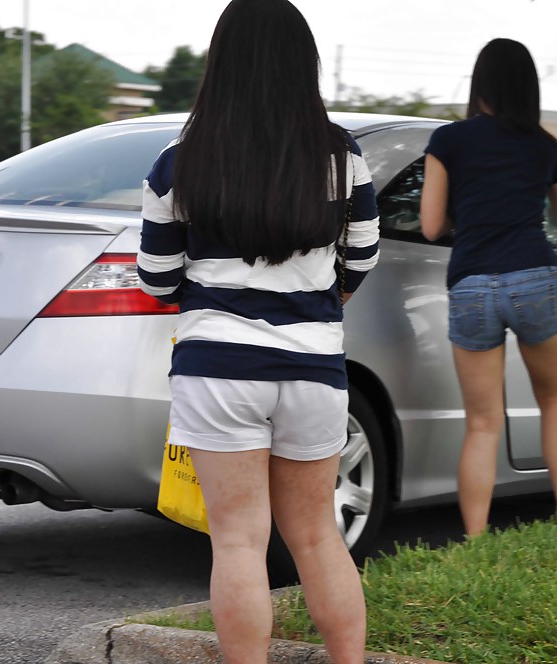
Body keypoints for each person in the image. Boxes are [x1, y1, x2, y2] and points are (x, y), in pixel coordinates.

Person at [137, 1, 379, 661]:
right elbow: (361, 257)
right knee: (317, 537)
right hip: (313, 367)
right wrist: (324, 303)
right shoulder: (340, 152)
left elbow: (157, 279)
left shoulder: (179, 159)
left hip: (218, 369)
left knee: (239, 541)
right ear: (304, 64)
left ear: (223, 62)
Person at [419, 38, 557, 537]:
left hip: (471, 284)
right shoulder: (541, 145)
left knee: (483, 422)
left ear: (480, 84)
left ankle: (474, 536)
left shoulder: (448, 141)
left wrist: (466, 217)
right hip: (536, 277)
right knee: (555, 400)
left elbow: (429, 227)